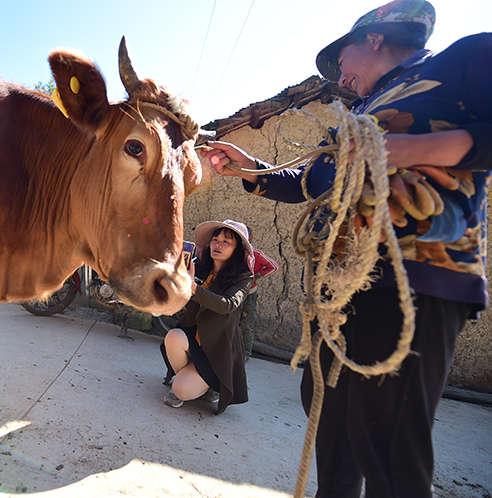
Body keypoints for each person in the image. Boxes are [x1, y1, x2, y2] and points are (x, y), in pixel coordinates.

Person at [200, 1, 491, 496]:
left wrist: (409, 151)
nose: (340, 76)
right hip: (338, 288)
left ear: (373, 40)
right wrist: (249, 166)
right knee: (331, 421)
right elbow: (311, 181)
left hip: (412, 277)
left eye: (342, 62)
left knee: (388, 438)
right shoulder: (355, 115)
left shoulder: (465, 59)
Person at [160, 219, 254, 414]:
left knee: (180, 389)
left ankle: (208, 384)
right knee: (173, 337)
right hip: (193, 341)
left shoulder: (244, 277)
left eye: (226, 241)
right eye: (215, 239)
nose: (217, 244)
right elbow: (185, 303)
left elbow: (228, 304)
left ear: (237, 250)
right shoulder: (199, 267)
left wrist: (194, 288)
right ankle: (191, 376)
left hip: (217, 353)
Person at [240, 228, 279, 360]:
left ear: (250, 238)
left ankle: (245, 352)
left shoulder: (256, 254)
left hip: (249, 293)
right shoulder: (233, 252)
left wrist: (257, 276)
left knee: (247, 322)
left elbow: (274, 266)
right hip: (232, 292)